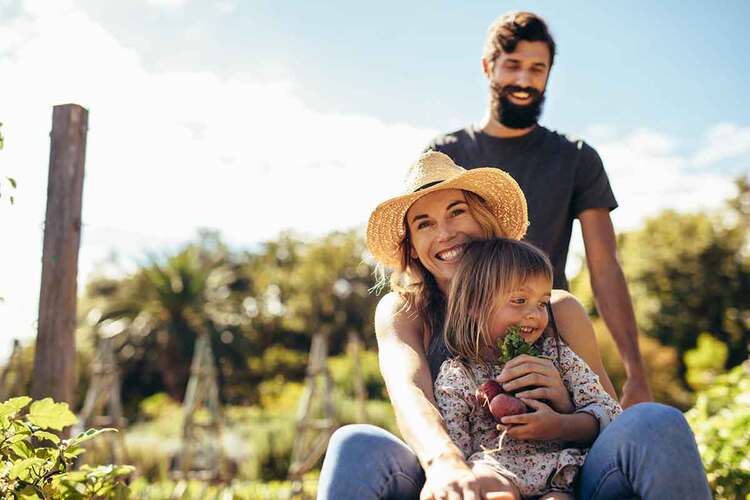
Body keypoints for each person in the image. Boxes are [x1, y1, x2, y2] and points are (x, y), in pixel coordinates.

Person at [316, 151, 710, 499]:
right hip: (463, 471)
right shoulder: (405, 310)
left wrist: (563, 406)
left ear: (484, 220)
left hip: (568, 477)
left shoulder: (557, 310)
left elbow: (610, 420)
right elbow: (409, 393)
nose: (445, 232)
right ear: (412, 248)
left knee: (657, 421)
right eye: (424, 224)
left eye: (457, 211)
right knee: (355, 442)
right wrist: (444, 462)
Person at [425, 11, 651, 407]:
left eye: (537, 68)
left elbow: (605, 267)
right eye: (513, 66)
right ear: (487, 67)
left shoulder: (576, 158)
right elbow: (425, 254)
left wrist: (635, 370)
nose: (525, 80)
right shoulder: (447, 154)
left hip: (544, 337)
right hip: (459, 343)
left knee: (587, 437)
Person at [435, 237, 621, 499]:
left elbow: (611, 414)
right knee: (483, 481)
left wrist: (560, 424)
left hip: (557, 473)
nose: (535, 313)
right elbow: (455, 443)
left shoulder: (557, 358)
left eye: (542, 303)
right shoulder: (458, 374)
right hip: (496, 467)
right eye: (520, 300)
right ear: (475, 306)